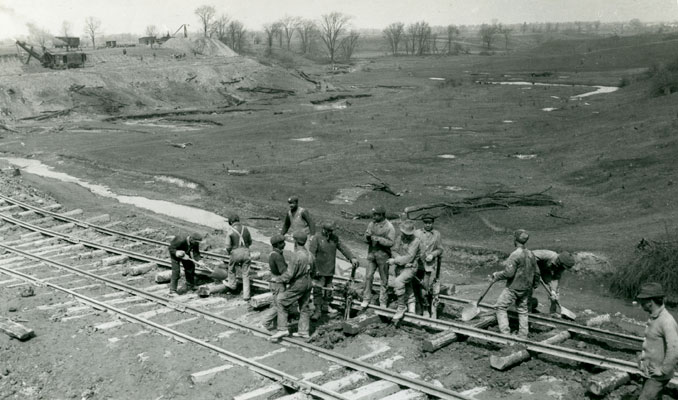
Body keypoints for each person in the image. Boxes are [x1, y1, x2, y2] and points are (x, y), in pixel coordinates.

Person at [491, 229, 539, 338]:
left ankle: (505, 334)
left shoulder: (515, 255)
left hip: (514, 287)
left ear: (515, 239)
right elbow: (537, 272)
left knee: (500, 307)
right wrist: (534, 285)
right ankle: (523, 335)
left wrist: (497, 275)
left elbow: (509, 273)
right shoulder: (531, 254)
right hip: (527, 288)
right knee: (523, 311)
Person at [309, 221, 359, 320]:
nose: (330, 233)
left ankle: (326, 305)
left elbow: (343, 248)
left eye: (331, 231)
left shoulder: (334, 239)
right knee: (318, 290)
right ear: (324, 229)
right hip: (319, 270)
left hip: (330, 269)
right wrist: (314, 269)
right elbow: (311, 255)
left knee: (328, 290)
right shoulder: (317, 238)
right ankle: (317, 310)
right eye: (329, 231)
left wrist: (352, 257)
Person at [636, 282, 678, 400]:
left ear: (650, 302)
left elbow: (675, 349)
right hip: (651, 371)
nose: (641, 304)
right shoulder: (655, 317)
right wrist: (643, 357)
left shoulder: (666, 321)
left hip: (658, 376)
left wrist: (663, 370)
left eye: (642, 301)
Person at [269, 231, 313, 341]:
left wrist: (277, 279)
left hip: (299, 283)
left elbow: (289, 274)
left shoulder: (296, 256)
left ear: (295, 242)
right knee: (304, 306)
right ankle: (304, 331)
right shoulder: (310, 255)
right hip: (308, 282)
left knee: (280, 300)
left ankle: (282, 328)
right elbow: (314, 271)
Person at [362, 206, 396, 309]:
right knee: (368, 276)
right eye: (373, 214)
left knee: (384, 279)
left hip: (383, 256)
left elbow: (391, 242)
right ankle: (366, 298)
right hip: (372, 254)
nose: (373, 217)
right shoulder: (371, 224)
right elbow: (365, 238)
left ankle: (383, 301)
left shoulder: (389, 227)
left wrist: (379, 239)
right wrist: (367, 237)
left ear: (382, 215)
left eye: (376, 215)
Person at [388, 220, 422, 321]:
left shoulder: (416, 241)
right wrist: (399, 260)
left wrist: (395, 260)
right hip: (401, 267)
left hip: (411, 268)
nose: (405, 235)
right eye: (404, 233)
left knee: (398, 282)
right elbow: (394, 250)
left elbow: (409, 257)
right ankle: (412, 310)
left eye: (408, 234)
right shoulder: (400, 238)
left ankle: (401, 307)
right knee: (408, 287)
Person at [414, 214, 444, 318]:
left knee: (424, 287)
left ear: (432, 223)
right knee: (414, 285)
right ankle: (417, 307)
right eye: (426, 223)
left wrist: (432, 254)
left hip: (428, 266)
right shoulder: (417, 233)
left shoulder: (436, 234)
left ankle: (426, 308)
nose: (428, 225)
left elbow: (440, 249)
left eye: (430, 223)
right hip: (416, 264)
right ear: (423, 223)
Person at [530, 250, 576, 315]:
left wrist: (553, 291)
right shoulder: (548, 255)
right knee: (528, 285)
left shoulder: (560, 267)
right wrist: (536, 271)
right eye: (563, 266)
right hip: (528, 266)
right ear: (560, 262)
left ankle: (553, 310)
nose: (563, 268)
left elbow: (555, 278)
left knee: (553, 291)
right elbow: (530, 255)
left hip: (544, 270)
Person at [261, 235, 287, 331]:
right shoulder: (277, 256)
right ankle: (265, 323)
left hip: (275, 281)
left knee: (277, 303)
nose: (284, 244)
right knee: (279, 305)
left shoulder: (275, 253)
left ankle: (276, 325)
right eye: (282, 243)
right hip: (278, 283)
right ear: (277, 244)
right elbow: (283, 271)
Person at [224, 214, 253, 300]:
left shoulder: (230, 231)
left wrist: (230, 253)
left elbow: (228, 246)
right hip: (246, 251)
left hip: (235, 252)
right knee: (246, 274)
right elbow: (250, 242)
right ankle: (246, 295)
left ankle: (232, 286)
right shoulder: (246, 229)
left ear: (231, 222)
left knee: (231, 269)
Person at [167, 232, 203, 296]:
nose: (197, 244)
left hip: (185, 254)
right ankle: (172, 290)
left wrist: (200, 261)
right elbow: (171, 248)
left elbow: (196, 252)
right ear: (191, 239)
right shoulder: (180, 240)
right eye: (196, 242)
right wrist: (176, 252)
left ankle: (190, 284)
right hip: (175, 255)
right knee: (176, 271)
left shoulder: (195, 242)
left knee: (190, 267)